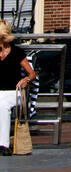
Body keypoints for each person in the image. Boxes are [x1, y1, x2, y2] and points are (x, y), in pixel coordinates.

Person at [0, 20, 36, 155]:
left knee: (2, 105)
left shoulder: (16, 52)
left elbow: (32, 74)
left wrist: (25, 79)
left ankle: (3, 145)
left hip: (13, 92)